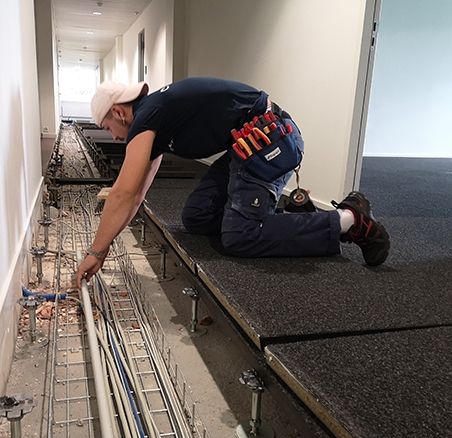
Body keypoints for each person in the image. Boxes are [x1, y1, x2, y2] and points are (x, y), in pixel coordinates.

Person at [76, 77, 390, 285]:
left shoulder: (148, 116)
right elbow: (135, 195)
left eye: (108, 129)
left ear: (118, 112)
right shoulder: (153, 116)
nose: (114, 137)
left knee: (240, 236)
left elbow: (122, 194)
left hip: (271, 141)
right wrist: (104, 246)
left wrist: (96, 252)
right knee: (197, 216)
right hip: (249, 147)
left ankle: (349, 220)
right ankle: (275, 219)